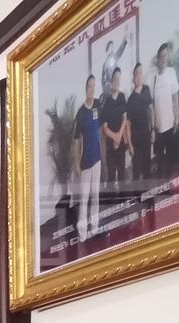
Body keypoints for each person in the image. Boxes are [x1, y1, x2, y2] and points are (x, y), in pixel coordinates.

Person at [73, 75, 104, 243]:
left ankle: (95, 228)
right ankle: (82, 233)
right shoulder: (80, 113)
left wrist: (103, 152)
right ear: (86, 89)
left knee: (95, 195)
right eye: (89, 86)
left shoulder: (98, 105)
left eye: (94, 86)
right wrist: (77, 163)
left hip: (97, 159)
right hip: (85, 163)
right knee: (84, 199)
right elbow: (76, 141)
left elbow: (100, 130)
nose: (92, 89)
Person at [151, 42, 179, 179]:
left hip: (170, 123)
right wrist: (153, 126)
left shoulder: (171, 72)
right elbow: (152, 104)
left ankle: (168, 183)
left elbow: (175, 97)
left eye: (165, 55)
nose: (163, 58)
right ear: (158, 58)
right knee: (159, 157)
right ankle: (160, 184)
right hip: (158, 126)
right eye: (161, 56)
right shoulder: (154, 77)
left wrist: (177, 117)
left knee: (170, 156)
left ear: (167, 57)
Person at [101, 67, 131, 204]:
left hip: (121, 143)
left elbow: (124, 119)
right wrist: (115, 137)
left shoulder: (122, 97)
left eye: (119, 78)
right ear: (111, 81)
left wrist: (119, 137)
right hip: (110, 144)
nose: (117, 81)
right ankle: (113, 205)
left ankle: (123, 203)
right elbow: (104, 127)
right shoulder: (106, 102)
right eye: (115, 79)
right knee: (112, 176)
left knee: (122, 173)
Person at [128, 63, 155, 193]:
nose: (138, 76)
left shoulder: (146, 90)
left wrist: (153, 130)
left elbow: (151, 110)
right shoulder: (130, 99)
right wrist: (130, 144)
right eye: (136, 74)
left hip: (146, 135)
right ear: (133, 78)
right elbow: (128, 124)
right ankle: (137, 197)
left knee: (147, 168)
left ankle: (148, 197)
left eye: (140, 73)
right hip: (135, 140)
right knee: (136, 171)